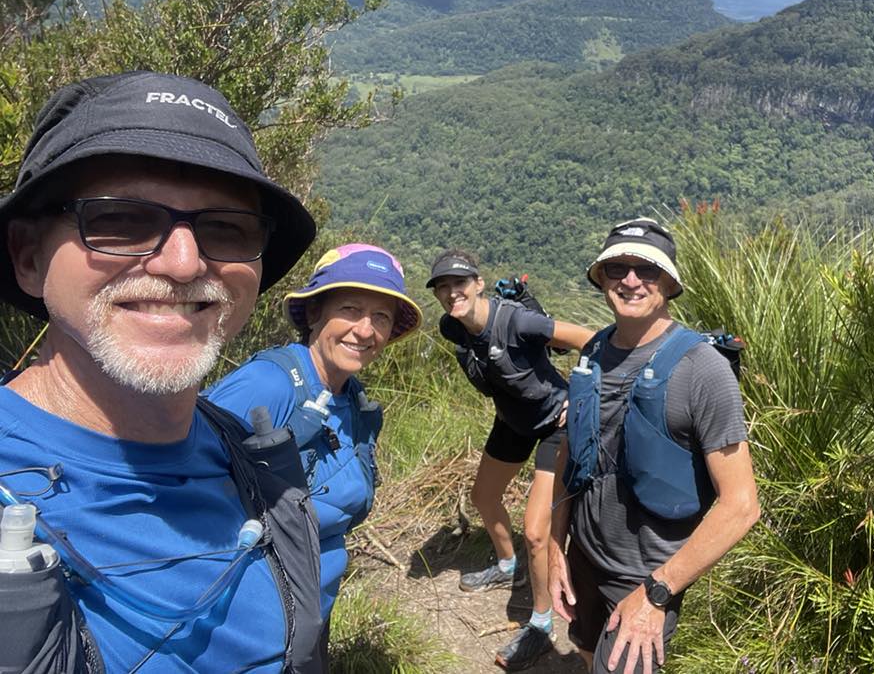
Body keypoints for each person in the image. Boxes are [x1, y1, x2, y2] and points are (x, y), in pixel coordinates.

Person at [0, 71, 323, 673]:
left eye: (226, 227)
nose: (184, 263)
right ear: (28, 257)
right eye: (120, 219)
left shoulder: (252, 461)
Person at [548, 218, 760, 674]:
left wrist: (656, 593)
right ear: (600, 279)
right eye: (617, 268)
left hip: (643, 576)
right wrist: (555, 544)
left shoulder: (702, 369)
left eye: (646, 270)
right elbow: (572, 450)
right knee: (586, 652)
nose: (630, 280)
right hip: (584, 557)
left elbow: (742, 505)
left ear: (669, 282)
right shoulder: (594, 352)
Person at [206, 242, 422, 655]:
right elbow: (182, 481)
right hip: (249, 620)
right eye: (351, 309)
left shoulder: (352, 398)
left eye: (381, 317)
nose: (366, 329)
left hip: (311, 607)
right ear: (316, 313)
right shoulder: (270, 384)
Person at [427, 249, 593, 671]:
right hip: (513, 422)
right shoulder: (453, 328)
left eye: (459, 283)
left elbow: (590, 340)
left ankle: (540, 624)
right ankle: (507, 565)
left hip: (555, 423)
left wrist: (581, 397)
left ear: (478, 284)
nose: (451, 293)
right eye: (442, 287)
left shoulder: (516, 320)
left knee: (536, 532)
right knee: (484, 497)